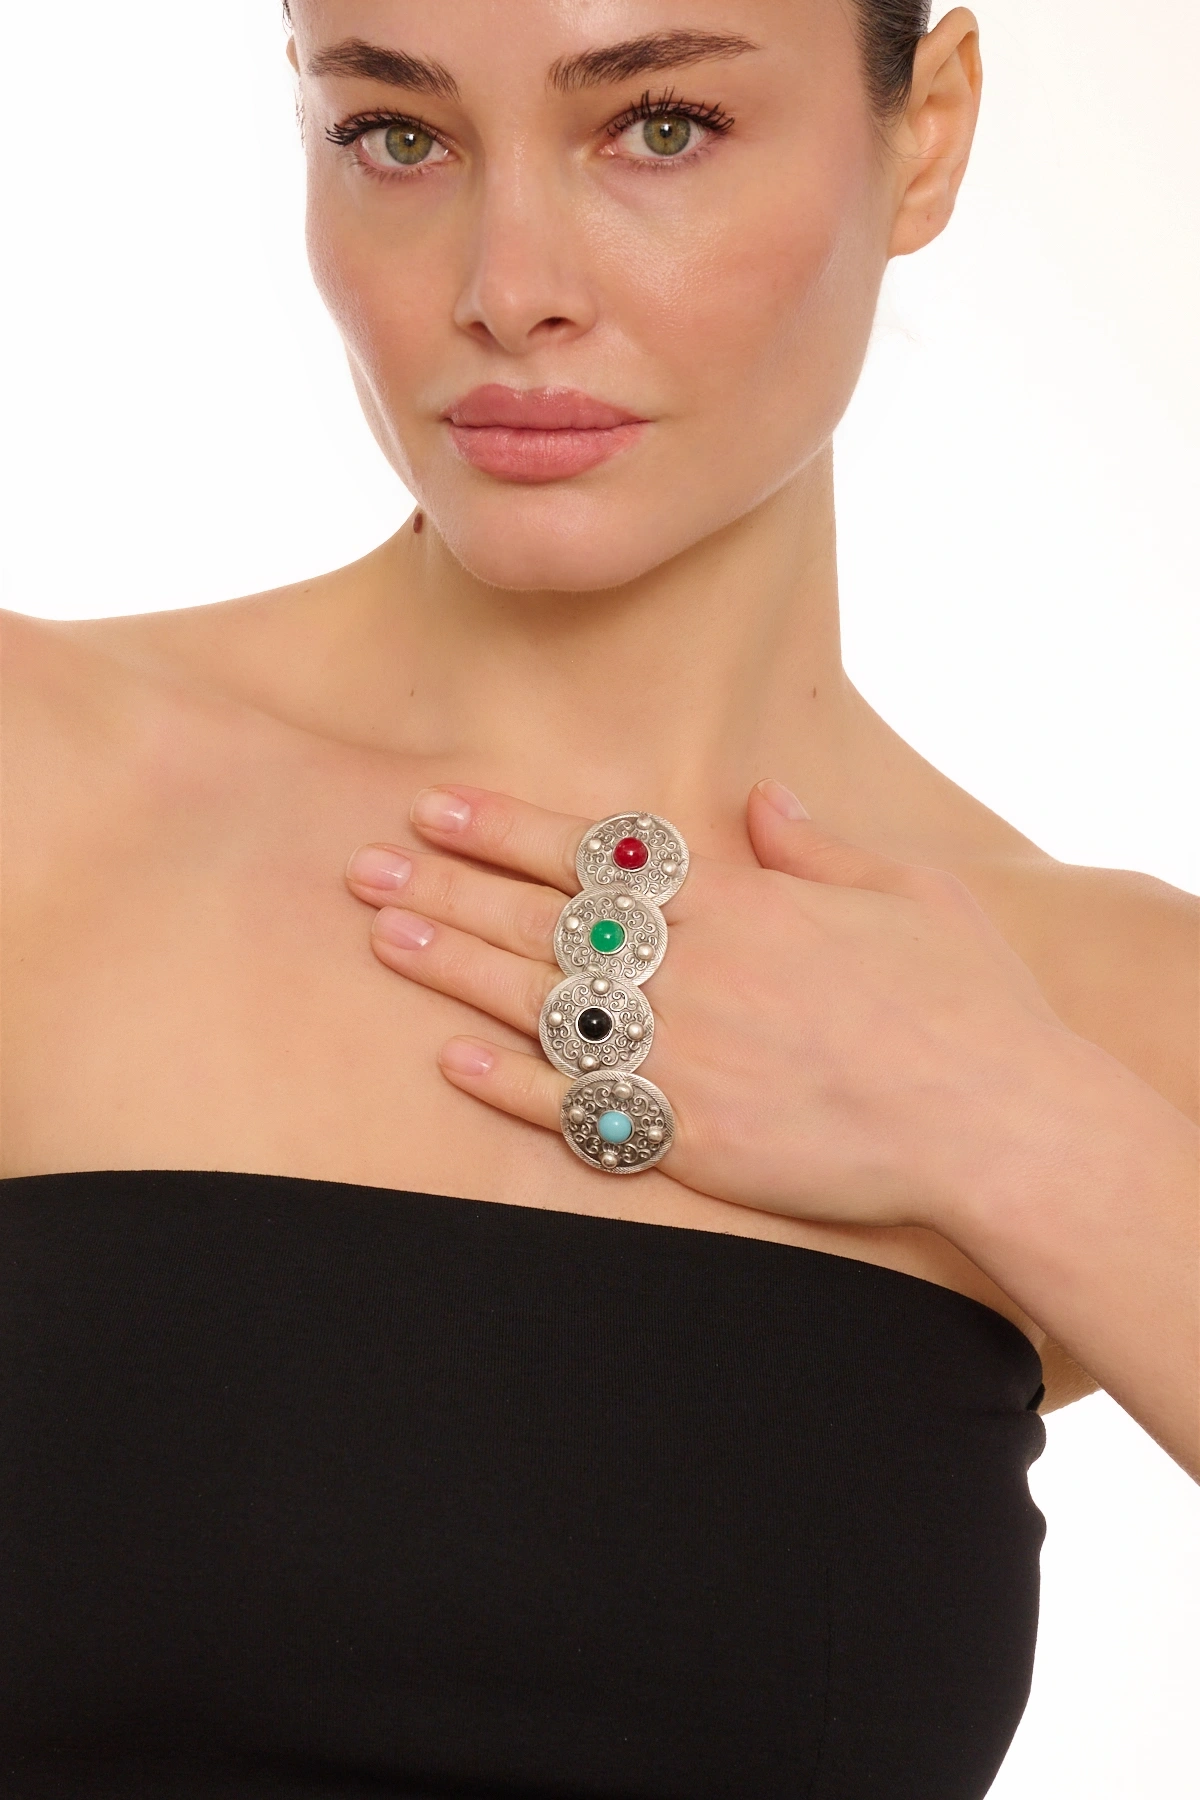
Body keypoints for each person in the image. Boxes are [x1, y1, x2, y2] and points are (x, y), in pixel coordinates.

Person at [1, 1, 1195, 1795]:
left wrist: (1015, 1135)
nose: (510, 289)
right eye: (399, 135)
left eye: (662, 126)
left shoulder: (1111, 1008)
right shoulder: (36, 785)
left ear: (928, 130)